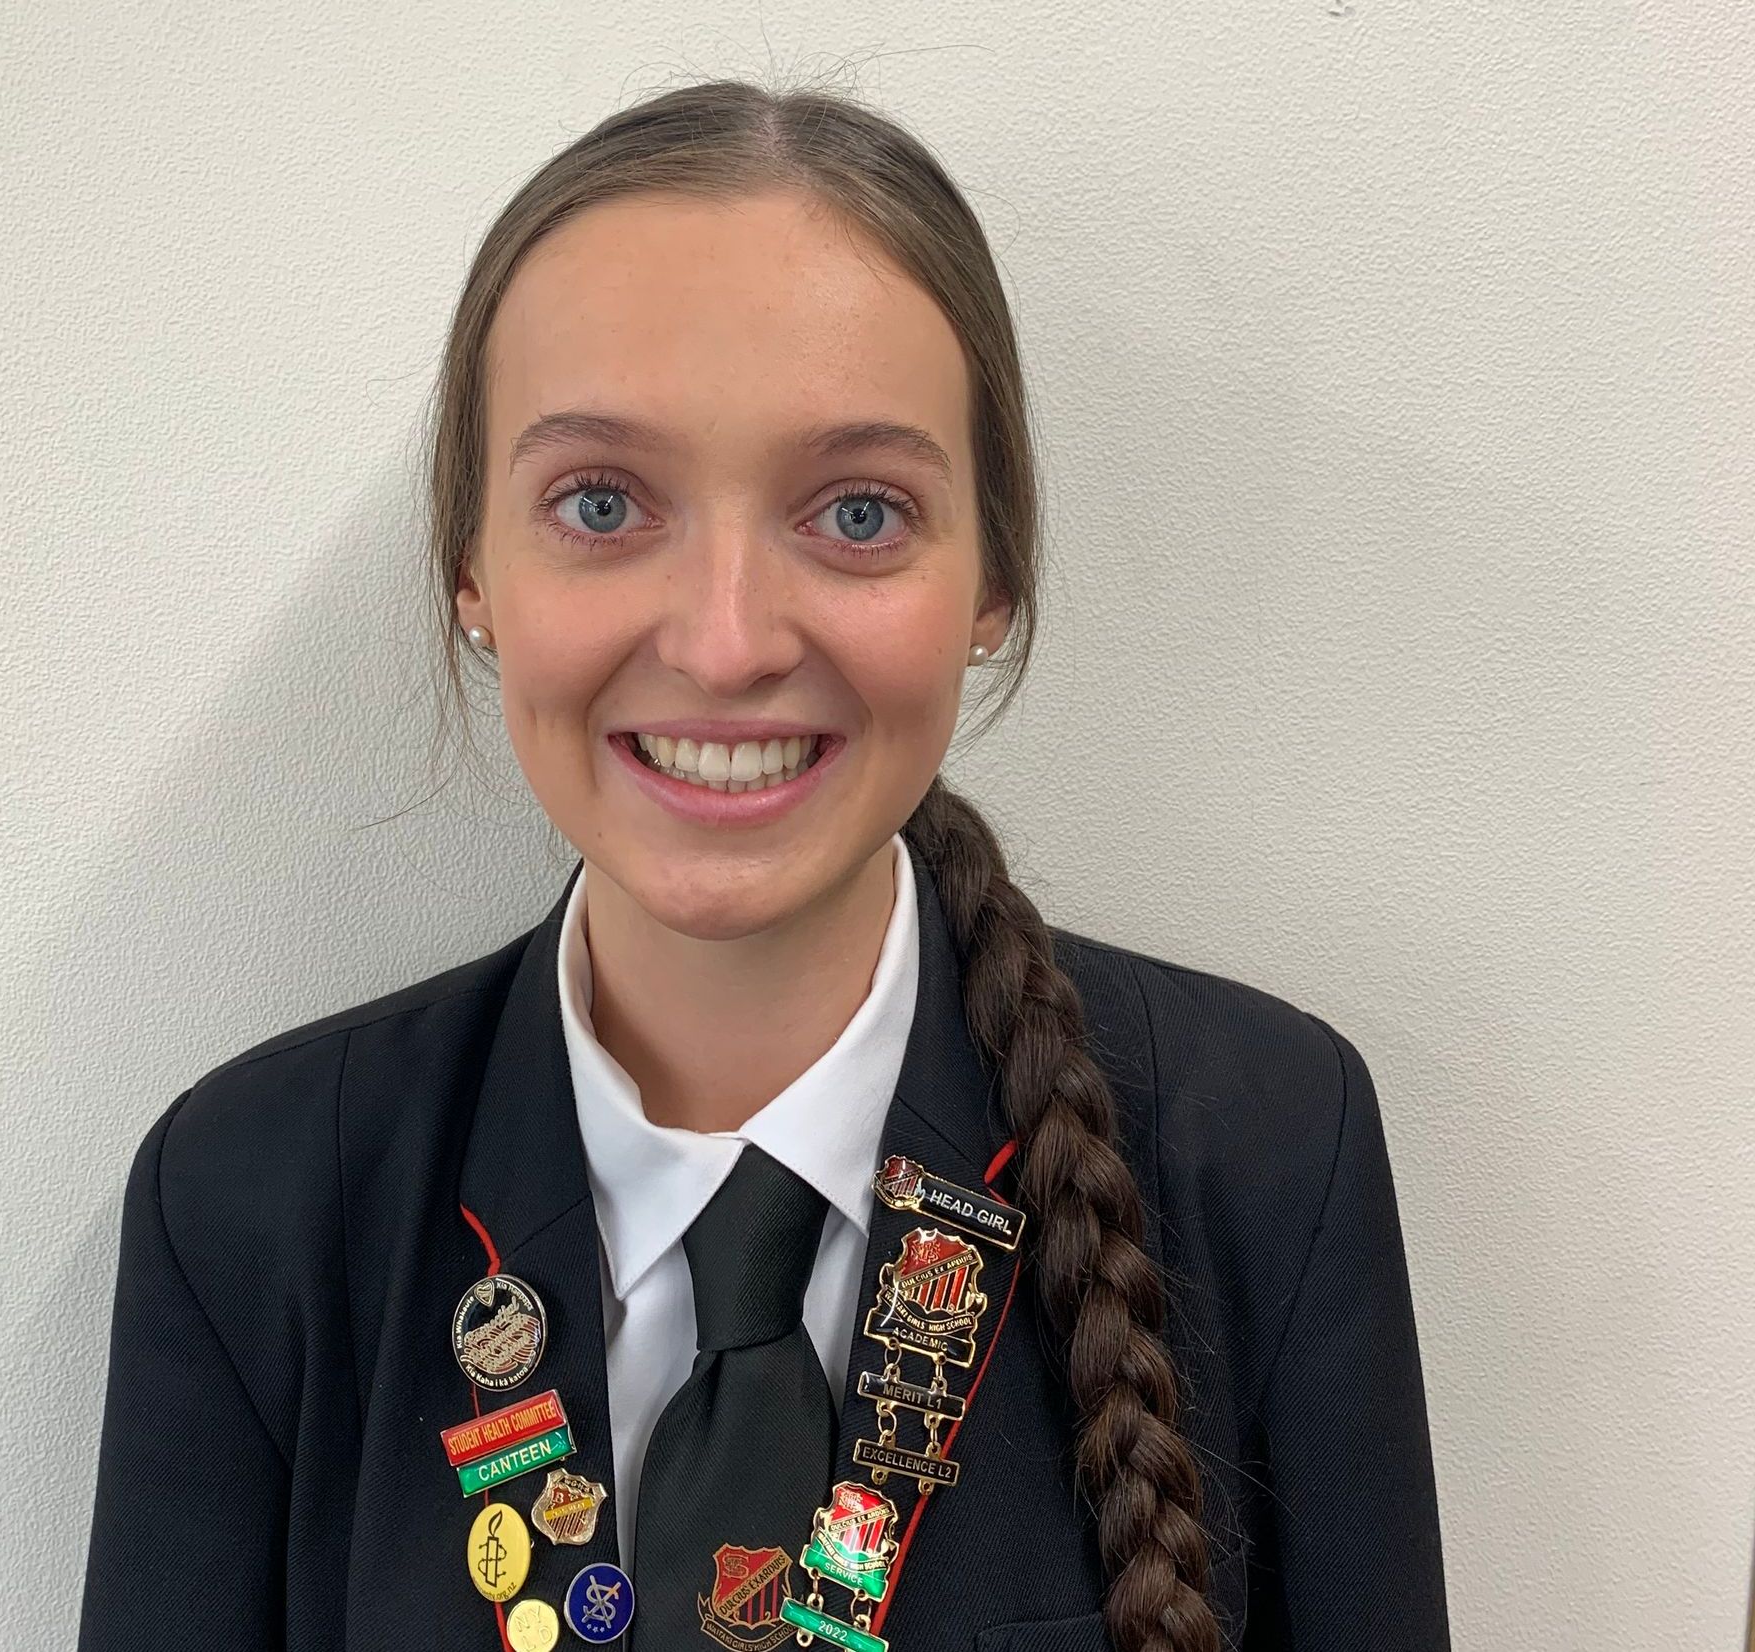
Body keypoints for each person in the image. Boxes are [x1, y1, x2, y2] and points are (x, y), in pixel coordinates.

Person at [78, 77, 1449, 1652]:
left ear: (991, 577)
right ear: (475, 570)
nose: (725, 642)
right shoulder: (250, 1202)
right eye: (601, 503)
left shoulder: (1266, 1152)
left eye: (857, 511)